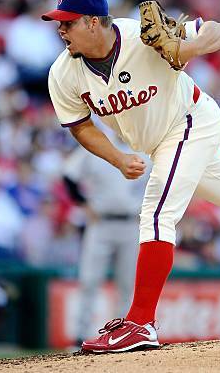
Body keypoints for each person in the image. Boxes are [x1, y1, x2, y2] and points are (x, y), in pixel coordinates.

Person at [42, 0, 220, 353]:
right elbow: (81, 126)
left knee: (156, 214)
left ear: (94, 22)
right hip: (156, 143)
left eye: (68, 22)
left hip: (190, 120)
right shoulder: (62, 74)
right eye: (59, 23)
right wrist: (117, 159)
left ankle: (140, 322)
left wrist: (186, 48)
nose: (61, 30)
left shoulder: (139, 35)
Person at [63, 141, 147, 344]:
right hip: (101, 222)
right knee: (89, 280)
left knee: (128, 284)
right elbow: (68, 175)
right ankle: (79, 337)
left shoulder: (145, 147)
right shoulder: (99, 143)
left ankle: (122, 335)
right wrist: (83, 204)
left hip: (131, 223)